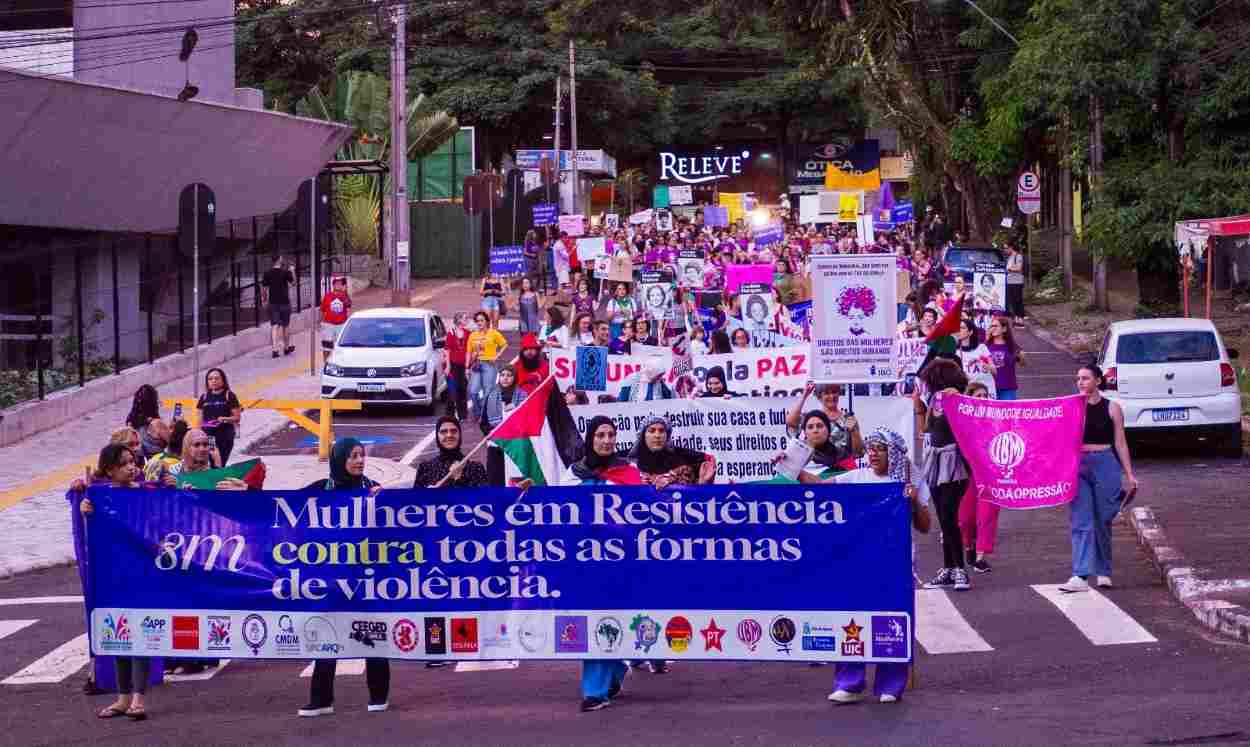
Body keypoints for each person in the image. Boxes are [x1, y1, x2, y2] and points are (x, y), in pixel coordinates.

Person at [825, 428, 930, 705]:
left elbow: (925, 526)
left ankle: (890, 684)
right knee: (852, 620)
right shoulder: (856, 478)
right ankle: (849, 683)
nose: (873, 453)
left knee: (891, 623)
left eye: (880, 449)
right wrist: (792, 463)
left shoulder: (909, 478)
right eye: (870, 448)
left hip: (895, 564)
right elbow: (817, 487)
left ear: (893, 453)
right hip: (858, 563)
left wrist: (913, 502)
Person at [299, 438, 390, 717]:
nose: (359, 461)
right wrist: (248, 491)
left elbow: (398, 522)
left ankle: (378, 696)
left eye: (361, 455)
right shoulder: (320, 490)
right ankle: (321, 700)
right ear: (339, 459)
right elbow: (278, 506)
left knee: (372, 636)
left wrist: (386, 501)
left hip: (366, 579)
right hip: (331, 578)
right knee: (326, 637)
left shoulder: (373, 489)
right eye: (353, 456)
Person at [560, 416, 641, 712]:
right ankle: (609, 676)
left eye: (611, 435)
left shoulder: (628, 472)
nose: (607, 440)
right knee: (592, 619)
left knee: (610, 617)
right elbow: (557, 511)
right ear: (590, 438)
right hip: (584, 562)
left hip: (619, 561)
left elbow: (640, 512)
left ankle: (600, 687)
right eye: (600, 435)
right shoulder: (573, 474)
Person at [80, 443, 154, 721]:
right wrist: (84, 509)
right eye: (124, 463)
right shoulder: (100, 496)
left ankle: (138, 698)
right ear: (109, 469)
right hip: (114, 576)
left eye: (133, 461)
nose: (131, 467)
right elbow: (89, 530)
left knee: (141, 636)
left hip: (142, 575)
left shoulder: (146, 493)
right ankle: (123, 698)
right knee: (119, 637)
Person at [1059, 365, 1138, 593]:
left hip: (1105, 462)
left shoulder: (1112, 408)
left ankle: (1103, 570)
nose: (1080, 382)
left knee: (1103, 519)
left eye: (1085, 378)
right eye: (1078, 379)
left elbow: (1120, 443)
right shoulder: (1072, 407)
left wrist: (1129, 474)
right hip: (1078, 465)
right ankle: (1080, 575)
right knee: (1081, 519)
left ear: (1098, 381)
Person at [916, 359, 972, 591]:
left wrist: (960, 397)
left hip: (954, 461)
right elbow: (926, 429)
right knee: (943, 516)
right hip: (935, 459)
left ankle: (960, 569)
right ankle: (949, 568)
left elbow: (970, 425)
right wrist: (919, 407)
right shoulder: (934, 399)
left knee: (950, 516)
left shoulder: (958, 399)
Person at [957, 382, 1000, 573]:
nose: (983, 399)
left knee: (986, 516)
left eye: (985, 395)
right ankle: (969, 547)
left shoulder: (995, 419)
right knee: (965, 518)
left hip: (991, 476)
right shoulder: (962, 420)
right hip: (970, 476)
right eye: (978, 396)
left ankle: (980, 557)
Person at [629, 416, 716, 488]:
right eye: (651, 431)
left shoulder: (683, 458)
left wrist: (673, 477)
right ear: (643, 436)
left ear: (667, 436)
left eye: (661, 431)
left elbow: (708, 462)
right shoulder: (630, 463)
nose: (657, 435)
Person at [785, 382, 864, 460]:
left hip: (843, 466)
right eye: (826, 393)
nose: (831, 396)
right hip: (816, 465)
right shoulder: (813, 418)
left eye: (834, 392)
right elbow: (791, 422)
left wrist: (854, 432)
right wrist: (804, 395)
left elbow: (858, 452)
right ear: (819, 396)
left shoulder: (848, 419)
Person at [414, 417, 489, 488]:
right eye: (443, 432)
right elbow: (416, 497)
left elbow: (484, 496)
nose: (449, 435)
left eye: (453, 431)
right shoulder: (426, 468)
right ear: (437, 436)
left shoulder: (476, 468)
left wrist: (459, 479)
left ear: (460, 435)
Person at [482, 365, 527, 484]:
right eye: (502, 375)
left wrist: (515, 409)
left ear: (515, 378)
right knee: (496, 478)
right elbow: (484, 422)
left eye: (509, 375)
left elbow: (527, 419)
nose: (505, 378)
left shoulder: (523, 396)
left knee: (515, 480)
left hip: (516, 445)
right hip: (496, 445)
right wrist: (492, 434)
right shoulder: (491, 395)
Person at [196, 368, 242, 464]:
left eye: (216, 378)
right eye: (210, 379)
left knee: (221, 462)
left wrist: (225, 419)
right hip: (209, 436)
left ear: (223, 380)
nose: (213, 381)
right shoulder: (204, 397)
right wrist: (198, 435)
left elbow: (237, 418)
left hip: (225, 436)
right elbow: (199, 419)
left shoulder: (229, 395)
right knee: (212, 462)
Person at [467, 311, 507, 412]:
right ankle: (478, 411)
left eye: (482, 320)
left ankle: (484, 414)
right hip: (477, 364)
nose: (479, 323)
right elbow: (469, 352)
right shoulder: (473, 335)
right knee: (473, 391)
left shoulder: (493, 333)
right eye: (477, 321)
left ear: (487, 321)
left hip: (489, 364)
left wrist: (497, 356)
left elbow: (504, 344)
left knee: (487, 391)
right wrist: (467, 366)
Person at [260, 256, 296, 358]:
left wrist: (264, 300)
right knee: (286, 325)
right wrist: (292, 271)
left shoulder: (267, 273)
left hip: (273, 303)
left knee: (274, 326)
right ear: (279, 260)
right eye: (281, 258)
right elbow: (294, 283)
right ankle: (286, 348)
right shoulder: (285, 272)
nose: (282, 259)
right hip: (284, 302)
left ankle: (275, 350)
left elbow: (264, 288)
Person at [955, 319, 997, 398]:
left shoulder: (982, 348)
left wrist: (981, 362)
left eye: (963, 328)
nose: (959, 330)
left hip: (987, 389)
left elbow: (994, 371)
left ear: (970, 332)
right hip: (970, 391)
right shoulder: (955, 352)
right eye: (958, 328)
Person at [985, 316, 1022, 400]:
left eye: (996, 326)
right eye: (991, 326)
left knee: (1008, 408)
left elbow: (1022, 363)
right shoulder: (985, 346)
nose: (993, 328)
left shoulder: (1012, 346)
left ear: (1004, 329)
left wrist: (1021, 357)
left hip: (1007, 388)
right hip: (989, 387)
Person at [318, 276, 352, 364]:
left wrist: (345, 292)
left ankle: (340, 363)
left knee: (340, 346)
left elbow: (348, 304)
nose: (338, 285)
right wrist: (319, 323)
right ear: (333, 285)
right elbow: (322, 310)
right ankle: (326, 363)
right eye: (336, 283)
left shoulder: (344, 296)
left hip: (341, 324)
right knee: (327, 346)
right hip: (328, 324)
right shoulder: (328, 296)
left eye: (340, 284)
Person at [443, 313, 470, 420]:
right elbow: (447, 350)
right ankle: (449, 415)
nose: (467, 320)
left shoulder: (468, 333)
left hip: (463, 366)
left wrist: (468, 366)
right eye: (465, 318)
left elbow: (469, 350)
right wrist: (448, 366)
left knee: (462, 390)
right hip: (453, 366)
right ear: (459, 320)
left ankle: (463, 415)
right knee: (451, 390)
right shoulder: (451, 333)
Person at [124, 384, 162, 457]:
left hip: (142, 456)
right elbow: (171, 443)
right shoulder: (156, 423)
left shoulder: (131, 421)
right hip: (159, 457)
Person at [1005, 243, 1026, 321]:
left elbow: (1019, 268)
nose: (1005, 250)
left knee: (1017, 299)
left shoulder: (1018, 256)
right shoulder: (1009, 257)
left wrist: (1010, 269)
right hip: (1010, 281)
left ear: (1011, 248)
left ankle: (1020, 316)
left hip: (1017, 281)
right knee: (1012, 300)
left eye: (1006, 248)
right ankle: (1016, 317)